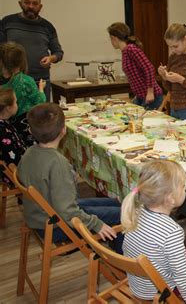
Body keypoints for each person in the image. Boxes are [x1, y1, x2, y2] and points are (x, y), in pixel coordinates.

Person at [17, 103, 123, 253]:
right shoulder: (58, 163)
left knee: (118, 204)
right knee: (124, 216)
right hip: (55, 225)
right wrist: (96, 224)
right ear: (63, 130)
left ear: (31, 130)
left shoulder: (30, 152)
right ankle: (121, 264)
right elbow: (67, 211)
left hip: (42, 215)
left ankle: (113, 249)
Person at [121, 160, 186, 303]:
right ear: (171, 199)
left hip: (139, 285)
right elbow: (182, 278)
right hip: (161, 291)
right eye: (183, 187)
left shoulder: (137, 211)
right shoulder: (172, 232)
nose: (185, 190)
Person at [0, 0, 64, 101]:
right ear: (20, 4)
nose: (31, 6)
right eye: (27, 3)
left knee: (42, 115)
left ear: (40, 6)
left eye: (34, 3)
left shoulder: (48, 27)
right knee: (12, 115)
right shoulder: (7, 22)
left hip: (40, 81)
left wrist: (51, 58)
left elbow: (58, 53)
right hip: (11, 80)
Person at [107, 22, 163, 110]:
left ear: (114, 38)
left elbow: (149, 68)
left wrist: (150, 92)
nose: (111, 42)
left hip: (151, 96)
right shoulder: (125, 51)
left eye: (110, 39)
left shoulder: (131, 49)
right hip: (141, 95)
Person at [0, 41, 46, 146]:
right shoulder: (26, 81)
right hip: (26, 125)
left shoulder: (4, 84)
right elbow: (40, 101)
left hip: (9, 126)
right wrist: (41, 89)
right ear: (22, 61)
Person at [0, 87, 26, 185]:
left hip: (14, 168)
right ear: (8, 108)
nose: (17, 104)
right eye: (15, 102)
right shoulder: (3, 133)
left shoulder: (5, 123)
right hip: (16, 174)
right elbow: (14, 159)